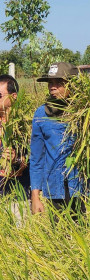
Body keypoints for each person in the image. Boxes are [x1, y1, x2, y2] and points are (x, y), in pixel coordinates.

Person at [30, 62, 90, 217]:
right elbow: (37, 158)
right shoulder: (41, 114)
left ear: (73, 85)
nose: (53, 87)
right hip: (57, 189)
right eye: (50, 83)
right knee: (62, 237)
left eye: (59, 83)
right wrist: (35, 196)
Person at [0, 74, 30, 220]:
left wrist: (15, 159)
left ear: (14, 96)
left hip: (17, 197)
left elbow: (32, 162)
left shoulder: (25, 126)